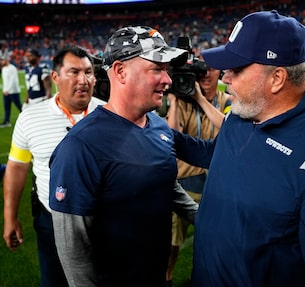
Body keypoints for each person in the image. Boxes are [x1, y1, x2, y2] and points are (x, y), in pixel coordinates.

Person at [172, 10, 305, 286]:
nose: (226, 77)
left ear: (277, 78)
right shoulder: (243, 114)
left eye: (237, 68)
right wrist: (159, 135)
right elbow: (218, 154)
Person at [48, 26, 197, 287]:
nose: (168, 80)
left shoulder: (159, 125)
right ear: (120, 71)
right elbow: (74, 249)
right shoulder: (80, 147)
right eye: (157, 69)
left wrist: (205, 218)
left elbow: (165, 183)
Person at [3, 45, 106, 287]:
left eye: (89, 72)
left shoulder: (110, 113)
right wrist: (10, 217)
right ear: (55, 77)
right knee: (53, 281)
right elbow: (17, 167)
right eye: (74, 72)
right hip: (51, 221)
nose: (83, 80)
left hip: (104, 220)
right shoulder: (30, 118)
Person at [165, 61, 231, 286]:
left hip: (213, 184)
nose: (205, 74)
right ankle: (168, 279)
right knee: (172, 245)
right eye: (200, 70)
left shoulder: (226, 101)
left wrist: (200, 99)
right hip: (182, 181)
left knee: (216, 241)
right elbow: (172, 137)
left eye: (211, 69)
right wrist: (174, 100)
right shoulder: (181, 102)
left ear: (219, 72)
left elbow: (229, 129)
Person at [0, 55, 22, 127]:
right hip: (6, 91)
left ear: (7, 60)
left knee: (20, 107)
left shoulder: (12, 68)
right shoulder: (3, 69)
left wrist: (8, 90)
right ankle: (6, 122)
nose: (1, 62)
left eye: (2, 60)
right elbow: (5, 81)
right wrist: (5, 90)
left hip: (13, 92)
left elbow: (13, 80)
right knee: (7, 107)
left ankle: (28, 120)